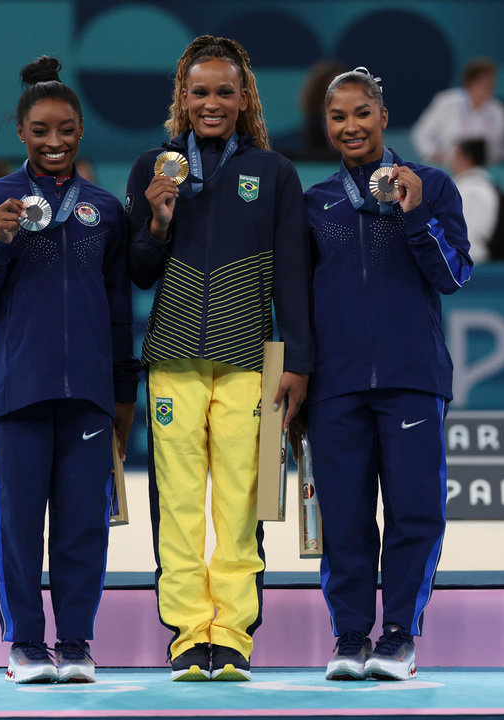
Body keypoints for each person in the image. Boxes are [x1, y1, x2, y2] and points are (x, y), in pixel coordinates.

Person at [0, 56, 139, 685]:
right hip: (19, 393)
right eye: (40, 131)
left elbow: (117, 312)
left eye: (67, 130)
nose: (54, 142)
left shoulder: (105, 209)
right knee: (20, 525)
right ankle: (27, 644)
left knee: (83, 525)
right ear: (21, 133)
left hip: (87, 394)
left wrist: (121, 394)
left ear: (81, 131)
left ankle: (77, 642)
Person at [126, 35, 313, 682]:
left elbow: (293, 276)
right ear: (182, 97)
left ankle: (230, 635)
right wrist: (154, 223)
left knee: (241, 503)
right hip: (173, 357)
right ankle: (186, 635)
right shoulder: (153, 168)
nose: (211, 103)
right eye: (199, 91)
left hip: (250, 363)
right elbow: (139, 272)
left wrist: (298, 362)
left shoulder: (275, 172)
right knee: (177, 505)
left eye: (224, 92)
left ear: (243, 98)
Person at [302, 67, 472, 682]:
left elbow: (453, 276)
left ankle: (398, 636)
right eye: (338, 117)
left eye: (361, 113)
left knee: (414, 511)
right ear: (327, 126)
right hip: (336, 386)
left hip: (412, 377)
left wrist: (416, 216)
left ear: (383, 116)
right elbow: (295, 300)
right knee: (344, 516)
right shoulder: (315, 202)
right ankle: (350, 637)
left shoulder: (432, 186)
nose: (351, 126)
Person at [411, 58, 504, 167]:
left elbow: (499, 148)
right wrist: (433, 154)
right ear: (470, 83)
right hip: (446, 168)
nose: (487, 89)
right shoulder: (446, 102)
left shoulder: (498, 111)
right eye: (482, 84)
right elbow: (422, 133)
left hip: (482, 172)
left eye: (490, 85)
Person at [450, 139, 498, 263]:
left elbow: (469, 233)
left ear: (466, 158)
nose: (451, 161)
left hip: (468, 262)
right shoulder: (467, 186)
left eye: (455, 156)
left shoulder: (473, 190)